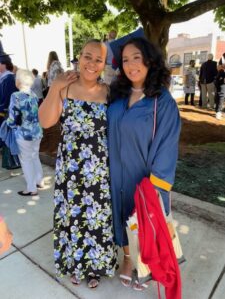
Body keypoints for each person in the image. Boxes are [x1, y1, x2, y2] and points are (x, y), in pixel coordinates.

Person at [38, 39, 118, 288]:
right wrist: (55, 87)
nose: (92, 63)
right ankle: (75, 264)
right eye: (88, 56)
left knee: (97, 218)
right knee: (72, 216)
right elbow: (45, 121)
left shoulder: (108, 93)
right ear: (79, 57)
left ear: (104, 64)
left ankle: (95, 267)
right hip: (70, 169)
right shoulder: (66, 87)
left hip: (99, 169)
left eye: (98, 59)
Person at [108, 37, 181, 290]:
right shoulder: (117, 96)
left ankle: (145, 262)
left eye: (136, 58)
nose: (130, 65)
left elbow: (167, 147)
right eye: (125, 60)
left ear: (149, 60)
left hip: (144, 178)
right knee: (121, 216)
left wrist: (155, 187)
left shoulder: (163, 102)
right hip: (116, 173)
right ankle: (128, 257)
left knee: (143, 221)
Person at [7, 69, 43, 196]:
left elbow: (12, 117)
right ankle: (39, 181)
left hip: (23, 134)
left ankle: (31, 188)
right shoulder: (33, 94)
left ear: (18, 81)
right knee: (34, 156)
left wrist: (8, 124)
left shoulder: (15, 96)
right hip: (37, 132)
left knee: (26, 160)